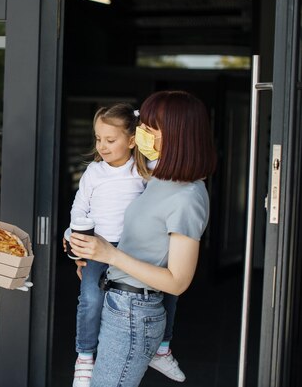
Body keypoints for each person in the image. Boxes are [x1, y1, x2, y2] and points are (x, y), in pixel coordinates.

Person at [69, 90, 217, 386]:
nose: (141, 132)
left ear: (177, 134)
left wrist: (110, 255)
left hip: (135, 314)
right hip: (118, 300)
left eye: (150, 127)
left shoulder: (188, 196)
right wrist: (94, 257)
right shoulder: (156, 177)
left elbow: (178, 281)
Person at [65, 103, 150, 387]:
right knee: (90, 300)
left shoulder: (143, 171)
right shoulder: (94, 172)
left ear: (131, 139)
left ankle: (156, 348)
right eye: (98, 139)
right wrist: (74, 233)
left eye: (110, 140)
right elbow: (79, 208)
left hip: (129, 250)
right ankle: (85, 357)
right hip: (96, 247)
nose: (102, 146)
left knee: (127, 304)